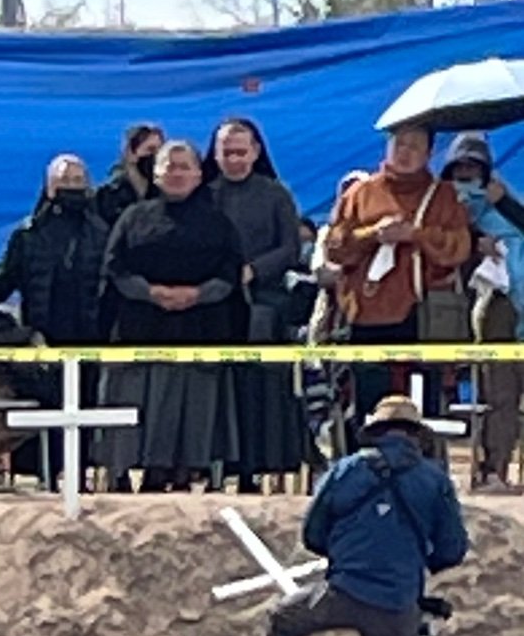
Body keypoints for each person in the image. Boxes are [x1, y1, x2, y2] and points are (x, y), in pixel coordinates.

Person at [234, 394, 469, 636]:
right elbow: (453, 548)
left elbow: (313, 532)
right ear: (416, 436)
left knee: (282, 620)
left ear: (375, 432)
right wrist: (413, 566)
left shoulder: (347, 470)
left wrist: (346, 556)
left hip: (343, 591)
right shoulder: (434, 481)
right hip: (397, 604)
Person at [103, 138, 244, 493]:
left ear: (199, 174)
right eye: (170, 166)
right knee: (134, 405)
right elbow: (114, 268)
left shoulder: (218, 222)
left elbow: (230, 272)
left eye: (185, 166)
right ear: (157, 173)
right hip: (141, 329)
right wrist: (151, 293)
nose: (177, 173)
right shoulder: (133, 218)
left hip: (200, 329)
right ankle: (127, 475)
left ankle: (183, 472)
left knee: (191, 409)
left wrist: (197, 295)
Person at [327, 126, 471, 417]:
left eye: (414, 146)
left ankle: (422, 461)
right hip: (366, 312)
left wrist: (416, 235)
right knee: (369, 405)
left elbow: (459, 248)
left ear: (430, 153)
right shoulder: (360, 193)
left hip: (422, 313)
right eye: (399, 144)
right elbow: (335, 248)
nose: (404, 152)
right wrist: (372, 235)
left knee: (423, 409)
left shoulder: (443, 196)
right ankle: (370, 460)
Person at [206, 117, 305, 491]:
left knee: (258, 391)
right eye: (226, 152)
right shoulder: (205, 194)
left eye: (240, 152)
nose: (233, 159)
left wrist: (253, 270)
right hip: (213, 304)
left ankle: (258, 467)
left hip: (264, 304)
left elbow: (290, 248)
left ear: (256, 152)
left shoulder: (275, 194)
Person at [440, 132, 523, 494]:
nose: (466, 173)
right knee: (499, 392)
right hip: (492, 299)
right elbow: (441, 240)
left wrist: (503, 203)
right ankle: (493, 471)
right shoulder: (442, 201)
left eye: (474, 166)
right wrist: (475, 243)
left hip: (517, 293)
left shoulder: (502, 196)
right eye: (460, 166)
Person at [0, 156, 111, 349]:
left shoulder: (104, 234)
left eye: (77, 180)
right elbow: (2, 282)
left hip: (94, 341)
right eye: (64, 180)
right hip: (41, 343)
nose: (71, 187)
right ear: (49, 186)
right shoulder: (28, 235)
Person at [95, 122, 164, 228]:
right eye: (151, 149)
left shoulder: (165, 192)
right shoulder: (109, 195)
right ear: (131, 152)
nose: (157, 156)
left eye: (161, 150)